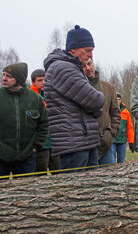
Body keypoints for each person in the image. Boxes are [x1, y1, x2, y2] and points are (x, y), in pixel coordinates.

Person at [44, 25, 105, 172]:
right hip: (73, 143)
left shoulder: (73, 67)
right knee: (75, 191)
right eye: (87, 50)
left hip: (82, 139)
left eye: (92, 51)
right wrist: (98, 103)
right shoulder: (63, 68)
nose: (90, 55)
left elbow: (91, 103)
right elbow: (95, 100)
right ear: (73, 49)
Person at [0, 63, 48, 178]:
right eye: (3, 75)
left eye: (9, 76)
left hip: (27, 158)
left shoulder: (35, 99)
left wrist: (35, 146)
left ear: (19, 79)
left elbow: (43, 124)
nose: (4, 78)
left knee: (26, 193)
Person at [82, 59, 120, 166]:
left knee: (111, 178)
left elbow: (116, 113)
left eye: (89, 64)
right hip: (85, 146)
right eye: (84, 66)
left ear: (93, 63)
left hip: (105, 143)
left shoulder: (108, 87)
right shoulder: (77, 89)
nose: (88, 68)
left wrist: (111, 133)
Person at [30, 69, 60, 172]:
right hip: (40, 144)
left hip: (55, 142)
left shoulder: (52, 95)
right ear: (33, 82)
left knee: (58, 172)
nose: (43, 83)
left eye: (45, 80)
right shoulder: (30, 97)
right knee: (39, 173)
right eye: (40, 80)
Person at [112, 93, 134, 163]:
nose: (118, 101)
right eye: (116, 99)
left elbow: (130, 128)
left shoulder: (126, 112)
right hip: (112, 140)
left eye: (119, 99)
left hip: (122, 141)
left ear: (121, 100)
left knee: (121, 162)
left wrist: (131, 142)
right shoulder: (109, 110)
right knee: (111, 161)